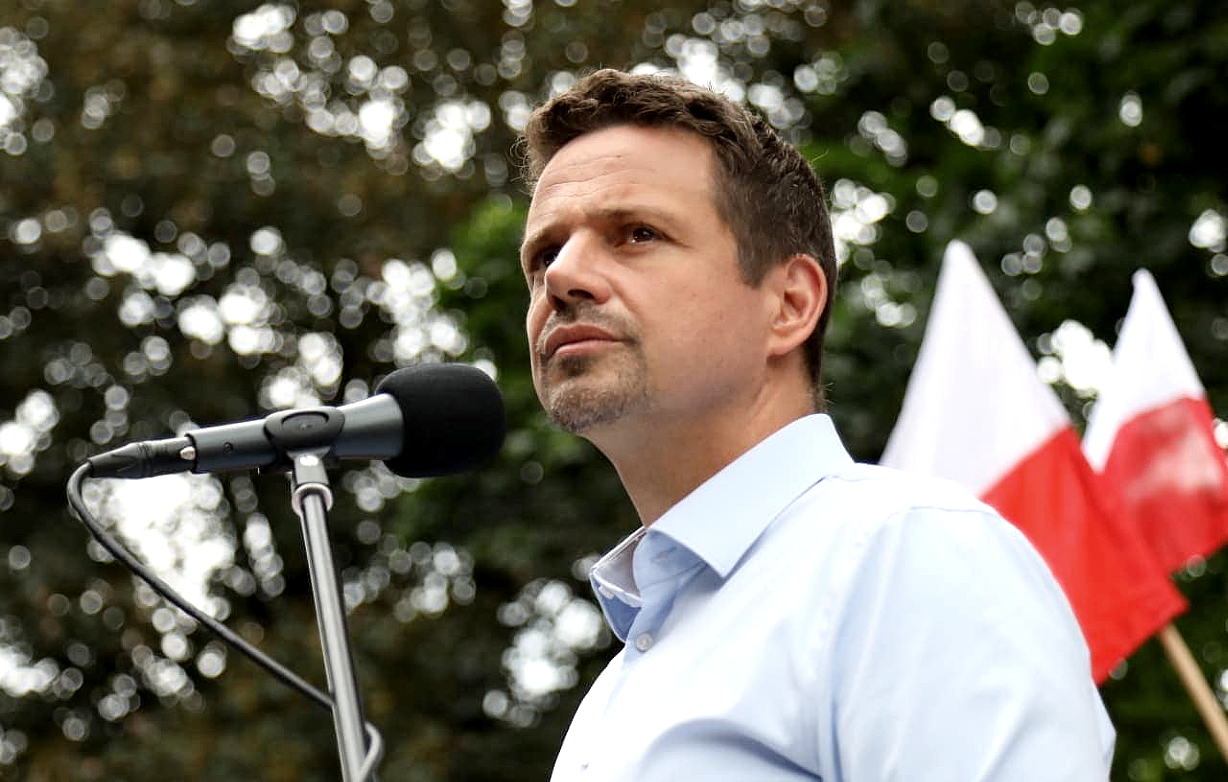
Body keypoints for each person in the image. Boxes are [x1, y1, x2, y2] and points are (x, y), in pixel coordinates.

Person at [518, 68, 1114, 781]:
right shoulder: (618, 690)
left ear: (790, 304)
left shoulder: (903, 555)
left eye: (637, 234)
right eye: (544, 255)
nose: (562, 277)